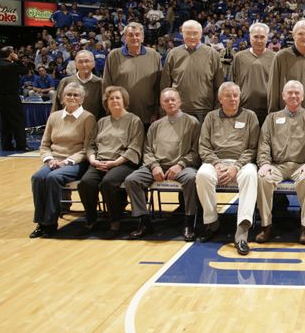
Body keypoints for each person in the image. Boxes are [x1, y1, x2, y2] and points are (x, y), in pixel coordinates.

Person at [124, 88, 201, 241]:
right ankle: (144, 222)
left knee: (192, 178)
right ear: (161, 105)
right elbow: (147, 150)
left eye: (173, 99)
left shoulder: (192, 122)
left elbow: (196, 151)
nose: (170, 102)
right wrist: (154, 166)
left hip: (182, 166)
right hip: (157, 166)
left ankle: (189, 222)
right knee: (132, 180)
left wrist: (180, 165)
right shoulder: (155, 125)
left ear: (180, 102)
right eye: (166, 101)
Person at [256, 80, 305, 246]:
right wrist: (264, 163)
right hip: (277, 166)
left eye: (297, 93)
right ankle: (266, 225)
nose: (293, 95)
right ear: (283, 96)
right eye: (290, 92)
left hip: (301, 165)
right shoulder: (272, 118)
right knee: (262, 179)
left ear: (303, 96)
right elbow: (264, 143)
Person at [195, 82, 259, 251]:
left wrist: (235, 167)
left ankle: (242, 231)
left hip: (241, 163)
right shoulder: (210, 117)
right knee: (202, 175)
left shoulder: (250, 116)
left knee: (251, 175)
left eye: (235, 95)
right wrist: (216, 163)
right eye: (228, 96)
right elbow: (204, 146)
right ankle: (211, 222)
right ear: (220, 99)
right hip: (215, 162)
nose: (233, 99)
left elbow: (253, 148)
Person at [29, 82, 96, 238]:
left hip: (76, 162)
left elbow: (87, 149)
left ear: (82, 99)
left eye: (76, 95)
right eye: (68, 94)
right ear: (62, 98)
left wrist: (66, 162)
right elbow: (45, 144)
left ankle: (50, 223)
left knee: (53, 178)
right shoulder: (54, 116)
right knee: (37, 178)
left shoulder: (88, 118)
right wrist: (49, 159)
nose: (72, 97)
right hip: (54, 160)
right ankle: (40, 222)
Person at [78, 86, 144, 237]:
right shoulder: (102, 122)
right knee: (86, 183)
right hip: (99, 161)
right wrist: (93, 160)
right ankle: (91, 219)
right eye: (111, 98)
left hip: (123, 162)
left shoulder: (134, 120)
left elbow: (134, 147)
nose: (114, 101)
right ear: (106, 102)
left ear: (124, 101)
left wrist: (115, 163)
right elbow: (91, 145)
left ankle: (115, 221)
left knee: (108, 182)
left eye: (117, 98)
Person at [160, 19, 223, 123]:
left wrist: (216, 109)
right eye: (188, 33)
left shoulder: (212, 54)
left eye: (195, 33)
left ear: (201, 34)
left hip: (205, 110)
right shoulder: (173, 54)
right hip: (179, 110)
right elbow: (165, 85)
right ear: (182, 34)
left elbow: (219, 85)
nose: (192, 37)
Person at [103, 22, 162, 126]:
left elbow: (159, 86)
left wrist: (157, 111)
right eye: (130, 35)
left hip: (148, 115)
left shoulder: (154, 55)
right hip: (120, 114)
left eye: (137, 35)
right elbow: (107, 85)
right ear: (125, 38)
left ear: (142, 38)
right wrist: (109, 110)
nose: (134, 38)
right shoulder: (114, 55)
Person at [267, 19, 305, 116]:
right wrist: (274, 115)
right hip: (287, 116)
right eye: (300, 34)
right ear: (293, 36)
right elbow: (273, 88)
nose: (304, 37)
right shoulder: (281, 56)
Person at [231, 22, 276, 125]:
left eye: (262, 37)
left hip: (268, 110)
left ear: (267, 38)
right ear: (250, 37)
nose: (259, 40)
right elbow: (232, 83)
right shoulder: (239, 57)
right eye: (255, 37)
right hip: (243, 109)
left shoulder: (275, 57)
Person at [0, 46, 28, 151]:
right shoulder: (11, 66)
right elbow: (25, 70)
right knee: (18, 121)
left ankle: (6, 145)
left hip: (1, 97)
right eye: (13, 52)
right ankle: (21, 146)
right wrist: (17, 60)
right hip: (12, 97)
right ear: (10, 54)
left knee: (5, 122)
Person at [53, 50, 103, 119]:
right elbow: (56, 108)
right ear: (75, 64)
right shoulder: (65, 82)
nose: (84, 64)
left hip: (92, 127)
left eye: (87, 61)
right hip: (67, 126)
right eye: (80, 62)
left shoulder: (100, 84)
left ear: (93, 63)